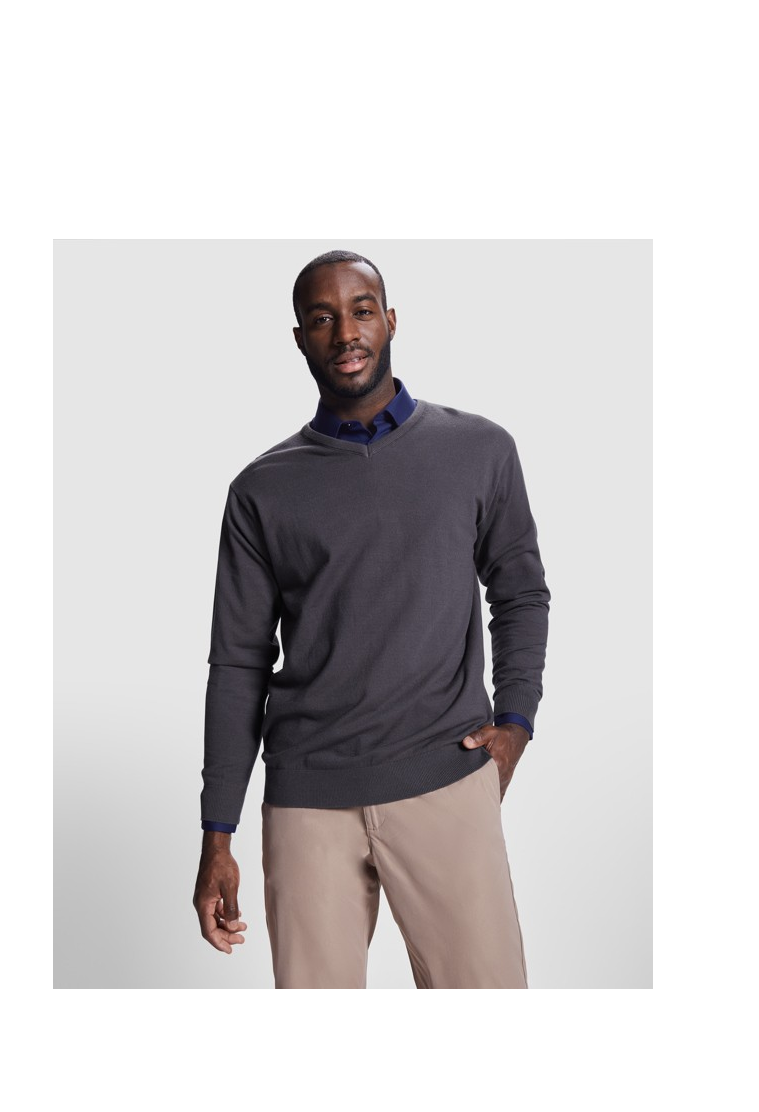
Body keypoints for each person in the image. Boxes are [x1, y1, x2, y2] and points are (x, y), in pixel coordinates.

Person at [192, 250, 550, 988]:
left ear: (389, 320)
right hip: (308, 803)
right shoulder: (262, 490)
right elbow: (238, 664)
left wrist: (515, 721)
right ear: (300, 338)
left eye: (361, 311)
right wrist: (217, 832)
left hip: (444, 778)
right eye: (322, 318)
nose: (345, 332)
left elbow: (519, 593)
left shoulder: (479, 450)